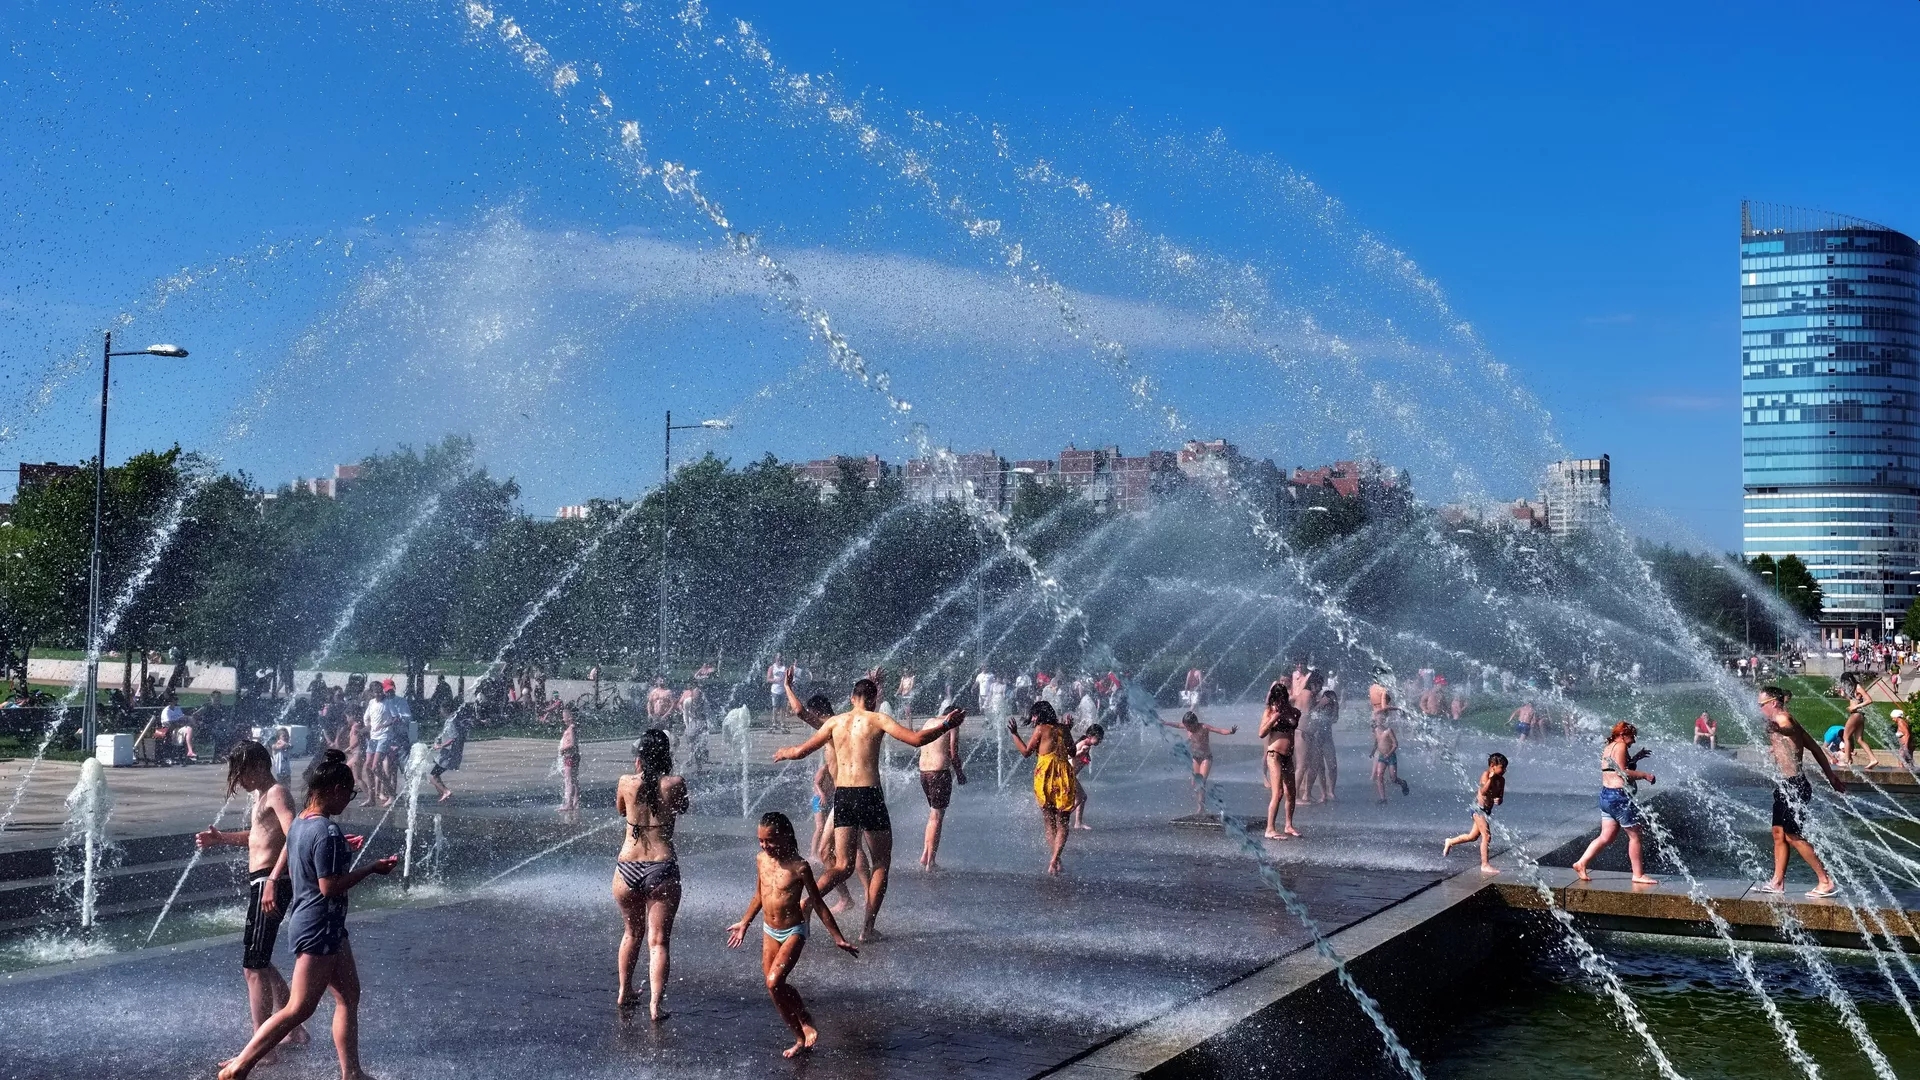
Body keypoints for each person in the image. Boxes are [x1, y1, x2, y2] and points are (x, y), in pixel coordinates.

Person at [217, 750, 399, 1080]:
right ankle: (241, 1065)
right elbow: (329, 887)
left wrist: (339, 847)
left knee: (348, 996)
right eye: (349, 793)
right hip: (319, 925)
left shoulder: (302, 822)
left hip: (322, 924)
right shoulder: (326, 831)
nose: (349, 800)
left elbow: (305, 856)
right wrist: (371, 869)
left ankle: (352, 1073)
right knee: (299, 1007)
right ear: (333, 791)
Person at [773, 677, 964, 941]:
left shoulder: (834, 722)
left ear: (852, 698)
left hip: (844, 797)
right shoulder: (878, 719)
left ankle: (806, 903)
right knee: (881, 863)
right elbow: (917, 739)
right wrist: (946, 724)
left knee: (842, 866)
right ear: (873, 700)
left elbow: (801, 751)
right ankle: (867, 929)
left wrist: (785, 751)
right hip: (869, 795)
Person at [196, 742, 309, 1058]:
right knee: (260, 960)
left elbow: (294, 835)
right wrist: (221, 839)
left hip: (270, 883)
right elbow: (258, 837)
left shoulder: (277, 793)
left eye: (242, 773)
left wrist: (273, 880)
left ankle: (263, 1050)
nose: (240, 781)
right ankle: (294, 1028)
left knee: (253, 967)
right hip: (263, 882)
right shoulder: (264, 797)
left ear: (260, 765)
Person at [725, 811, 859, 1058]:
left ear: (787, 836)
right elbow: (759, 895)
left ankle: (805, 1018)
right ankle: (799, 1035)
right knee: (774, 988)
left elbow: (818, 903)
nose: (766, 846)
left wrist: (837, 937)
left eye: (771, 840)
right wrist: (745, 922)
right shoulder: (761, 860)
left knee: (774, 981)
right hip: (768, 930)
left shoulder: (799, 867)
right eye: (762, 841)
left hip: (793, 931)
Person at [613, 729, 688, 1021]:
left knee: (631, 933)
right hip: (662, 867)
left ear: (640, 757)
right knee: (658, 942)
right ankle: (656, 1006)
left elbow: (622, 810)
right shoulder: (675, 783)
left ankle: (624, 991)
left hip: (627, 867)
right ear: (666, 755)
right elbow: (681, 807)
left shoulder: (625, 782)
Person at [1756, 686, 1846, 898]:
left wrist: (1781, 731)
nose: (1759, 709)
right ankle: (1777, 882)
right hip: (1784, 785)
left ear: (1773, 703)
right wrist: (1831, 777)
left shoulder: (1784, 720)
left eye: (1761, 705)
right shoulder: (1780, 723)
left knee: (1792, 834)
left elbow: (1785, 727)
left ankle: (1825, 881)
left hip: (1796, 785)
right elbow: (1815, 748)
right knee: (1778, 833)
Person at [1571, 722, 1660, 886]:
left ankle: (1581, 863)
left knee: (1606, 836)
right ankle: (1638, 874)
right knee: (1635, 835)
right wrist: (1645, 775)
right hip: (1619, 797)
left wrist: (1635, 759)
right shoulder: (1620, 746)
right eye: (1632, 736)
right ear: (1623, 734)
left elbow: (1614, 769)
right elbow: (1622, 772)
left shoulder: (1609, 746)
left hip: (1606, 796)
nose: (1633, 741)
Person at [1008, 701, 1077, 873]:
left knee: (1049, 820)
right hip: (1063, 777)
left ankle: (1056, 859)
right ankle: (1055, 858)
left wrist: (1015, 734)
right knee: (1063, 822)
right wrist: (1068, 730)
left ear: (1039, 715)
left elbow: (1026, 752)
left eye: (1034, 715)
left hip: (1045, 776)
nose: (1032, 718)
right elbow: (1073, 753)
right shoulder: (1064, 729)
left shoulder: (1040, 729)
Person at [915, 703, 965, 871]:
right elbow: (953, 753)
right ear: (955, 714)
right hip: (939, 772)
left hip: (924, 772)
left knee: (932, 815)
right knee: (937, 817)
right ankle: (931, 862)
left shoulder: (930, 721)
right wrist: (959, 774)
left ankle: (925, 855)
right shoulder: (952, 723)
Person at [1442, 752, 1508, 874]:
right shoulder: (1486, 775)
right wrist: (1491, 779)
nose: (1505, 770)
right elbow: (1483, 792)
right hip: (1478, 809)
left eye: (1505, 768)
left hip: (1487, 811)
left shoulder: (1502, 780)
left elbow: (1500, 797)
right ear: (1493, 765)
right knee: (1486, 836)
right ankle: (1485, 864)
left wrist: (1499, 799)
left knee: (1472, 836)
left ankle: (1450, 841)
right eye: (1502, 767)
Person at [1162, 710, 1236, 814]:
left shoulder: (1204, 727)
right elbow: (1178, 725)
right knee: (1194, 784)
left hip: (1206, 758)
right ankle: (1201, 805)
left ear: (1195, 723)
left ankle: (1201, 808)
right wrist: (1165, 722)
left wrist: (1230, 732)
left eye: (1189, 726)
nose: (1187, 729)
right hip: (1195, 758)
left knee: (1201, 782)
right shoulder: (1187, 727)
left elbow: (1218, 730)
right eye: (1186, 726)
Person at [1259, 682, 1302, 840]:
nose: (1279, 703)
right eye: (1277, 700)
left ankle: (1288, 825)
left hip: (1287, 756)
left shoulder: (1293, 711)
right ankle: (1269, 829)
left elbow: (1295, 718)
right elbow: (1261, 733)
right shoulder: (1269, 711)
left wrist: (1288, 714)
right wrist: (1275, 718)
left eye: (1282, 700)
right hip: (1274, 755)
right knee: (1278, 793)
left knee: (1291, 793)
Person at [1370, 692, 1410, 801]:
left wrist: (1398, 709)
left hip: (1390, 756)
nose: (1378, 719)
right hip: (1382, 756)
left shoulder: (1388, 730)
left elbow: (1396, 744)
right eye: (1377, 718)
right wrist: (1373, 751)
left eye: (1381, 718)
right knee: (1379, 776)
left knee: (1393, 778)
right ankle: (1383, 798)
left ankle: (1403, 783)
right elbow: (1376, 741)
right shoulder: (1376, 729)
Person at [361, 683, 395, 807]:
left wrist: (384, 725)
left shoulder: (388, 703)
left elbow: (395, 718)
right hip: (373, 737)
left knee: (375, 767)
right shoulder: (371, 703)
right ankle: (371, 798)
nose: (379, 694)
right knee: (367, 767)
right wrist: (368, 726)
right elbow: (367, 717)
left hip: (384, 737)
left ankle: (392, 794)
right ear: (372, 693)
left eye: (381, 691)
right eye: (376, 692)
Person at [428, 704, 469, 802]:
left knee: (432, 776)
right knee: (433, 773)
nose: (440, 711)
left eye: (441, 709)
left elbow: (452, 738)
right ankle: (443, 794)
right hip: (448, 754)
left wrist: (440, 746)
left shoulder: (451, 722)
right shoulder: (453, 720)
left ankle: (446, 792)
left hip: (448, 755)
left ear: (445, 709)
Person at [1070, 724, 1104, 829]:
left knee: (1081, 798)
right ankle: (1063, 816)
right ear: (1090, 735)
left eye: (1101, 738)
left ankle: (1077, 823)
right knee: (1081, 797)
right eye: (1098, 738)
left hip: (1071, 775)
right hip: (1067, 774)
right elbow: (1068, 755)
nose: (1100, 741)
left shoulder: (1087, 746)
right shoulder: (1083, 744)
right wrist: (1080, 752)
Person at [1842, 677, 1880, 768]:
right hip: (1859, 715)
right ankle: (1873, 759)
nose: (1844, 684)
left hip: (1856, 714)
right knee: (1859, 740)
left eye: (1844, 681)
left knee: (1845, 736)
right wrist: (1843, 695)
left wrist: (1856, 707)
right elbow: (1853, 700)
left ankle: (1847, 760)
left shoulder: (1858, 687)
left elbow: (1869, 700)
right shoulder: (1854, 688)